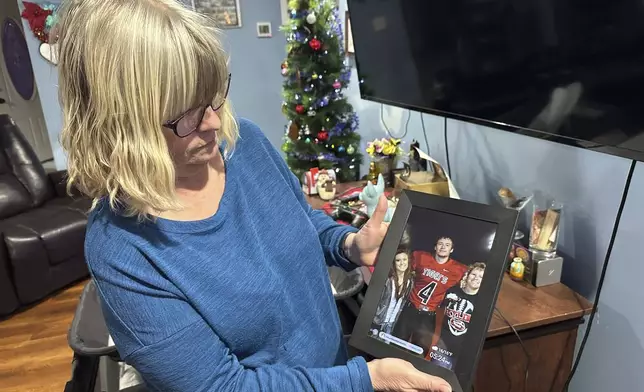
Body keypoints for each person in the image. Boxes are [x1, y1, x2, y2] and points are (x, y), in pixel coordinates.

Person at [54, 1, 451, 391]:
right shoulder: (123, 249)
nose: (213, 121)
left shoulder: (246, 143)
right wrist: (364, 380)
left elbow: (298, 220)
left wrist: (347, 244)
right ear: (122, 127)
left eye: (213, 94)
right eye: (186, 114)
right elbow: (220, 385)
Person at [393, 236, 467, 356]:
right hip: (410, 308)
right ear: (435, 247)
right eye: (440, 244)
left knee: (420, 351)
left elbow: (476, 276)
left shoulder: (459, 270)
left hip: (429, 315)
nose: (443, 247)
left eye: (447, 245)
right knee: (395, 344)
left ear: (451, 250)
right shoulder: (421, 257)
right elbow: (402, 267)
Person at [428, 263, 486, 370]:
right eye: (473, 274)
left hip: (464, 353)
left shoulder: (483, 302)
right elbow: (437, 312)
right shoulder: (452, 292)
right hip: (444, 347)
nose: (476, 278)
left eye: (481, 276)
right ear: (467, 275)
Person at [372, 249, 414, 335]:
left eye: (404, 259)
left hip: (391, 323)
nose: (402, 263)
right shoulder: (387, 280)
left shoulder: (410, 282)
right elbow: (376, 300)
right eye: (398, 260)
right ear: (394, 263)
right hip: (378, 322)